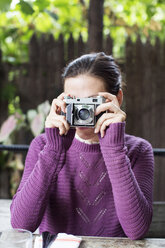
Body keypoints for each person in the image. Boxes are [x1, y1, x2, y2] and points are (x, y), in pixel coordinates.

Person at [10, 52, 154, 240]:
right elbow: (21, 225)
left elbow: (137, 230)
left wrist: (114, 150)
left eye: (91, 102)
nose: (82, 112)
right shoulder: (44, 146)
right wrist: (54, 151)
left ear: (117, 99)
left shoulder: (138, 150)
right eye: (74, 102)